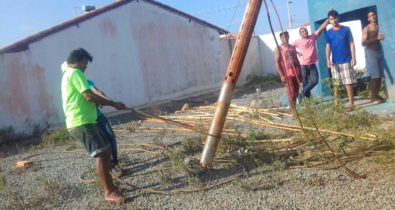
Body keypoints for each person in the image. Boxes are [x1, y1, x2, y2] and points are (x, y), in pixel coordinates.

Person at [61, 48, 126, 203]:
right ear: (77, 61)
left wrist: (105, 102)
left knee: (107, 149)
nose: (85, 67)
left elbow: (90, 96)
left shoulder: (69, 75)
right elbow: (89, 96)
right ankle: (109, 192)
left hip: (87, 120)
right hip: (81, 122)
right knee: (102, 154)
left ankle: (110, 184)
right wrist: (113, 103)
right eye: (85, 63)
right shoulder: (75, 73)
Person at [87, 79, 123, 177]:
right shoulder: (72, 84)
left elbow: (96, 91)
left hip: (98, 115)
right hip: (88, 119)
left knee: (110, 136)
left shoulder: (86, 81)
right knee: (101, 145)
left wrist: (108, 101)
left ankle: (114, 163)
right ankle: (109, 166)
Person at [325, 9, 357, 110]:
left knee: (348, 83)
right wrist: (328, 60)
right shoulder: (329, 33)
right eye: (331, 19)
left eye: (334, 18)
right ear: (329, 20)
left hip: (346, 60)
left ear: (338, 18)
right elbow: (328, 47)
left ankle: (351, 103)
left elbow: (351, 43)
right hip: (335, 63)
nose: (333, 20)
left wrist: (354, 57)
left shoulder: (346, 29)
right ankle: (336, 104)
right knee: (336, 84)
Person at [291, 19, 329, 99]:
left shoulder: (313, 37)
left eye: (305, 30)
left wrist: (328, 19)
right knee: (305, 82)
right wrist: (297, 52)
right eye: (303, 31)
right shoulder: (298, 41)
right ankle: (308, 99)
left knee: (314, 81)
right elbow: (289, 47)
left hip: (312, 64)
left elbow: (321, 28)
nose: (305, 32)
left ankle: (301, 95)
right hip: (303, 65)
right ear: (300, 34)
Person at [362, 11, 386, 104]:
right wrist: (376, 39)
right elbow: (363, 43)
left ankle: (376, 95)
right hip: (371, 52)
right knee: (375, 75)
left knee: (380, 74)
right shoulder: (367, 28)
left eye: (374, 15)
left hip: (379, 51)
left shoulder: (379, 26)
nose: (373, 17)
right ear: (368, 18)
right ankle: (373, 96)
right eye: (370, 16)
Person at [274, 31, 302, 108]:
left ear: (288, 37)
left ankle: (295, 108)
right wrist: (281, 75)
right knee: (291, 93)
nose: (285, 38)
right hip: (287, 74)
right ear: (280, 38)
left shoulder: (292, 47)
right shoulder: (278, 48)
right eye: (283, 37)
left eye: (286, 36)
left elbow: (297, 60)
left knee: (296, 92)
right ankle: (293, 111)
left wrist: (300, 73)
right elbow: (277, 62)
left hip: (296, 73)